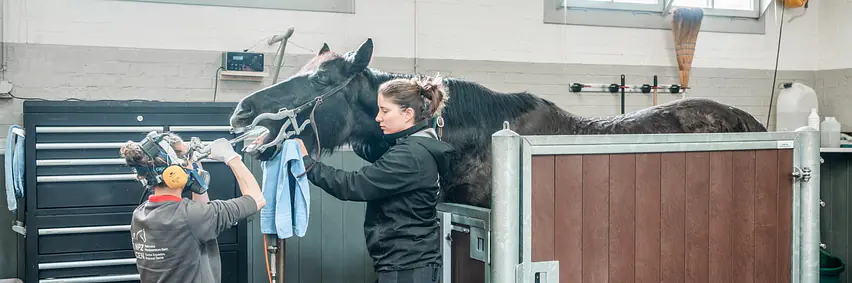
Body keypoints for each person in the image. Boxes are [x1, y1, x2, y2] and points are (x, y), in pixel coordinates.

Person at [293, 75, 455, 283]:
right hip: (406, 263)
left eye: (385, 111)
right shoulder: (415, 146)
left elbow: (353, 185)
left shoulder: (410, 155)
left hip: (407, 267)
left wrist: (306, 162)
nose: (378, 118)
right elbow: (372, 151)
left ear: (408, 114)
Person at [120, 132, 266, 283]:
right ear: (175, 172)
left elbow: (200, 215)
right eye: (188, 158)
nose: (192, 163)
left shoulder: (140, 214)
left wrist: (195, 165)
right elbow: (257, 199)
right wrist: (231, 157)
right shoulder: (191, 216)